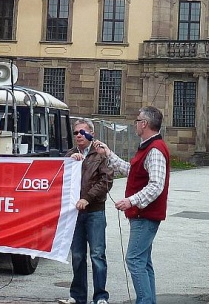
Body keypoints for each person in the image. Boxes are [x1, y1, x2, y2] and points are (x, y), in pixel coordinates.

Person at [94, 106, 170, 304]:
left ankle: (144, 301)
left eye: (137, 120)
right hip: (142, 215)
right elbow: (132, 170)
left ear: (144, 124)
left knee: (135, 260)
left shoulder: (155, 150)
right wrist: (108, 154)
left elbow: (156, 186)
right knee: (144, 262)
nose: (135, 124)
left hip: (145, 215)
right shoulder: (148, 147)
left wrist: (131, 201)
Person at [58, 120, 114, 304]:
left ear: (91, 133)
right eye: (75, 133)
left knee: (97, 254)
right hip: (75, 214)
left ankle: (100, 296)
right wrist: (69, 163)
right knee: (77, 255)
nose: (79, 135)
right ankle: (77, 295)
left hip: (95, 211)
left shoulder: (99, 153)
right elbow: (60, 180)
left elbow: (106, 180)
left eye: (82, 132)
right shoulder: (70, 154)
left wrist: (87, 198)